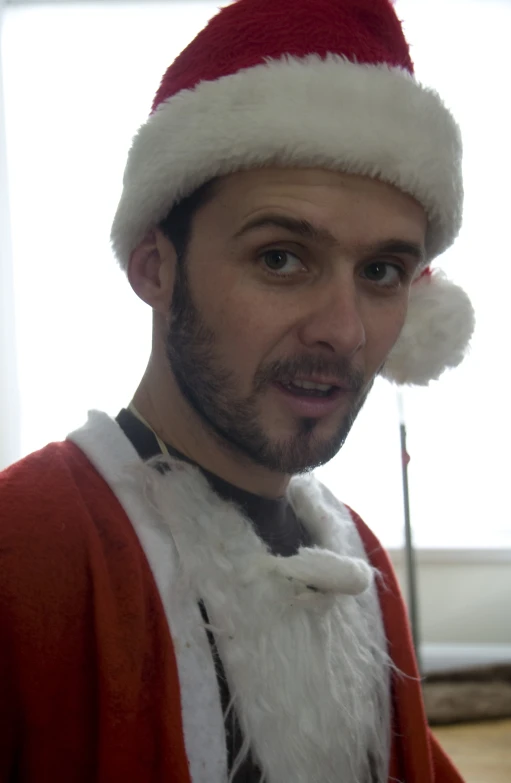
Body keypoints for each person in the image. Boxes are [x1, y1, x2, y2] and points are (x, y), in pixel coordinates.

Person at [0, 0, 475, 781]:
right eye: (282, 258)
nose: (344, 330)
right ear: (156, 267)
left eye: (382, 271)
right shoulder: (25, 558)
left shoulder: (356, 562)